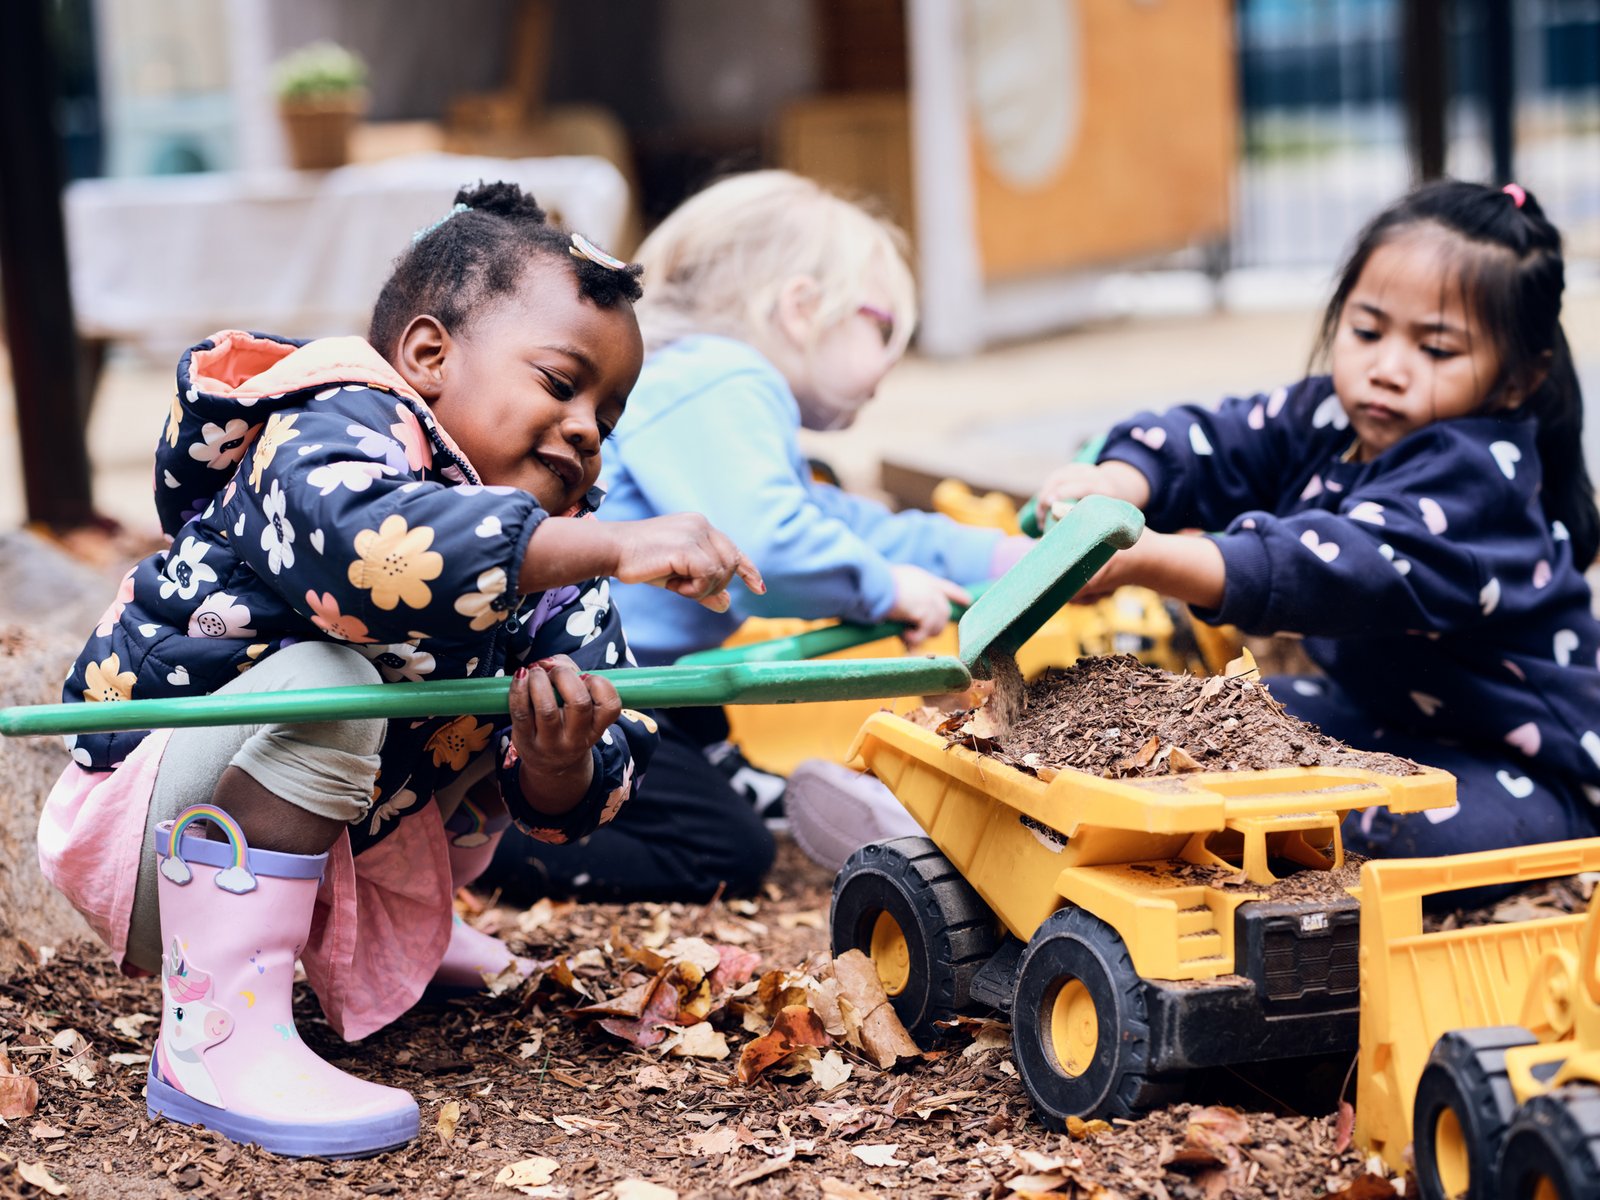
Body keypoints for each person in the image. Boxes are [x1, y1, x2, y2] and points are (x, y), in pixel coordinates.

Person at [35, 183, 761, 1157]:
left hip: (327, 851)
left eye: (608, 411)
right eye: (559, 381)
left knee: (489, 715)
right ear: (426, 358)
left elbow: (600, 762)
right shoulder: (335, 424)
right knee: (337, 678)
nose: (588, 428)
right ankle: (215, 1045)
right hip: (152, 832)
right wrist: (608, 547)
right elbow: (367, 557)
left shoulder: (556, 558)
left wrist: (557, 760)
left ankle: (393, 934)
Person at [483, 170, 1034, 902]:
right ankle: (494, 847)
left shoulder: (706, 388)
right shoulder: (725, 377)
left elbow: (836, 522)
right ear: (802, 309)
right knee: (722, 852)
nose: (896, 356)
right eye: (883, 325)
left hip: (630, 675)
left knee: (701, 709)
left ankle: (721, 772)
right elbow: (770, 543)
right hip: (592, 685)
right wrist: (885, 589)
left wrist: (991, 558)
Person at [1036, 178, 1600, 865]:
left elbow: (1333, 566)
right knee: (1204, 723)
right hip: (1380, 716)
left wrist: (1147, 557)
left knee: (1357, 829)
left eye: (1438, 350)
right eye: (1367, 331)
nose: (1387, 368)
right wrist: (1115, 483)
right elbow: (1217, 440)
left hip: (1521, 762)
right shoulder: (1329, 415)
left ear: (1517, 380)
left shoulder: (1482, 477)